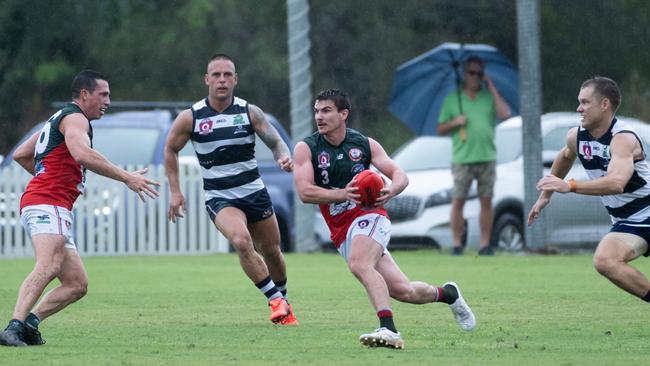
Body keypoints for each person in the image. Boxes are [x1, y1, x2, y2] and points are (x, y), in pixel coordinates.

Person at [293, 88, 476, 349]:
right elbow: (304, 191)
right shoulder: (307, 148)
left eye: (326, 110)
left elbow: (399, 174)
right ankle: (449, 294)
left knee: (358, 264)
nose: (319, 117)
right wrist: (343, 193)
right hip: (341, 229)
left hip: (371, 215)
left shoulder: (365, 144)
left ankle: (388, 328)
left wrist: (391, 190)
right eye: (316, 111)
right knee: (404, 291)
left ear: (343, 114)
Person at [0, 70, 160, 347]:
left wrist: (53, 177)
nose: (108, 101)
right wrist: (127, 177)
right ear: (84, 95)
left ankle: (30, 323)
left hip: (49, 201)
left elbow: (21, 154)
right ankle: (13, 326)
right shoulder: (76, 118)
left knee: (76, 284)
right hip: (47, 202)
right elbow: (82, 154)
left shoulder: (57, 119)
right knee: (48, 264)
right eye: (104, 94)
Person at [164, 54, 298, 325]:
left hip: (254, 192)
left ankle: (283, 301)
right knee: (241, 241)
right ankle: (275, 301)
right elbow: (170, 150)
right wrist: (176, 191)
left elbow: (276, 142)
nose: (222, 80)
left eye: (227, 75)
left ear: (235, 79)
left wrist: (283, 156)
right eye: (216, 75)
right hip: (220, 197)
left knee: (271, 251)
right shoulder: (191, 117)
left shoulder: (249, 112)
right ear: (207, 79)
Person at [528, 76, 650, 303]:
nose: (578, 108)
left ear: (604, 105)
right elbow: (564, 157)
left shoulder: (622, 138)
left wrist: (570, 186)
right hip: (629, 221)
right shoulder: (577, 137)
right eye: (579, 102)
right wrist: (546, 196)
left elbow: (616, 183)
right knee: (605, 260)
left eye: (585, 102)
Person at [437, 56, 511, 256]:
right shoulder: (454, 99)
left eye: (479, 73)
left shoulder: (488, 97)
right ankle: (456, 244)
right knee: (458, 200)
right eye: (471, 72)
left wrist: (492, 88)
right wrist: (455, 122)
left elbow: (505, 114)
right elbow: (441, 128)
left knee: (486, 200)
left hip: (487, 156)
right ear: (464, 74)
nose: (475, 77)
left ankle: (485, 245)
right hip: (462, 158)